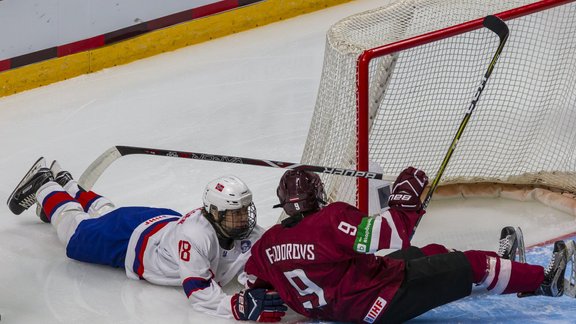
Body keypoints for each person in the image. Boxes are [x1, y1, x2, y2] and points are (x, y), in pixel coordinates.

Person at [242, 167, 573, 323]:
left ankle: (506, 266)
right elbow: (386, 235)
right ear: (318, 195)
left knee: (428, 253)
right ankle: (544, 282)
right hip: (379, 299)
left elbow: (252, 285)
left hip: (341, 305)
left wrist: (244, 306)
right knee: (469, 265)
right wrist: (403, 200)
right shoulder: (329, 219)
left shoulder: (268, 244)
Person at [7, 157, 287, 322]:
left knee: (107, 215)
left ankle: (67, 184)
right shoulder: (195, 236)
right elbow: (200, 294)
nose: (243, 218)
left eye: (243, 210)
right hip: (129, 240)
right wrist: (236, 307)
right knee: (75, 234)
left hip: (158, 224)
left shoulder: (246, 232)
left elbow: (258, 263)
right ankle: (44, 185)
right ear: (214, 212)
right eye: (234, 212)